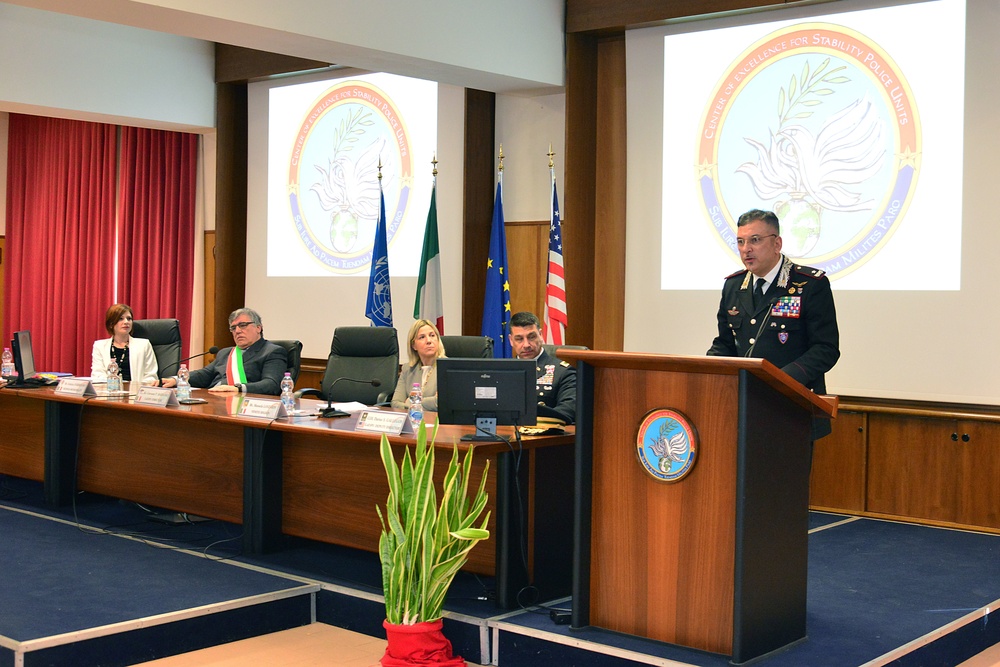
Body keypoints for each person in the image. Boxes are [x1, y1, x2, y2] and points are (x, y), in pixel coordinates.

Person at [707, 208, 840, 439]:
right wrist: (706, 371)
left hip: (791, 408)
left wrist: (781, 380)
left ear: (777, 243)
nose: (746, 249)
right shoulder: (733, 286)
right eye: (740, 241)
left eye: (755, 240)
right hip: (742, 407)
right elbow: (725, 343)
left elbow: (825, 349)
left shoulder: (809, 285)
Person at [163, 307, 287, 395]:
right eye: (233, 328)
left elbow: (271, 384)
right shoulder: (226, 353)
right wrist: (177, 379)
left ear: (258, 328)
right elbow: (204, 375)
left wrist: (237, 388)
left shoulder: (272, 352)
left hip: (242, 406)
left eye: (243, 325)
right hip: (213, 400)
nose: (237, 331)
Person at [509, 311, 576, 425]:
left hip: (545, 436)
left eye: (531, 337)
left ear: (540, 335)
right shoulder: (503, 371)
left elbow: (568, 410)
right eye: (519, 339)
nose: (526, 345)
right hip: (504, 435)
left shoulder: (563, 372)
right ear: (511, 340)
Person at [91, 304, 159, 386]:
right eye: (121, 319)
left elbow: (151, 376)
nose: (126, 322)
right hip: (109, 392)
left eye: (129, 318)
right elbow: (98, 375)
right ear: (111, 324)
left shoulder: (144, 345)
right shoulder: (100, 346)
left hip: (136, 393)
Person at [391, 319, 446, 411]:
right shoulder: (407, 369)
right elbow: (395, 403)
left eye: (432, 335)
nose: (429, 341)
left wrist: (410, 402)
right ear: (414, 345)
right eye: (422, 337)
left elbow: (441, 403)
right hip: (413, 421)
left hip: (438, 422)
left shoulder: (447, 368)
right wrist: (428, 403)